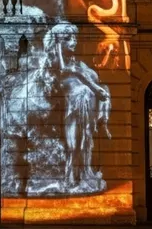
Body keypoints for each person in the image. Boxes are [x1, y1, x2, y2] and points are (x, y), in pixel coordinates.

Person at [45, 23, 110, 190]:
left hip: (85, 106)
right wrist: (93, 86)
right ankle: (70, 176)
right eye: (68, 39)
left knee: (86, 140)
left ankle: (85, 172)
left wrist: (96, 87)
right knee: (73, 144)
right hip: (72, 107)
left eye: (74, 38)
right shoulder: (55, 61)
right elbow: (65, 70)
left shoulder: (77, 63)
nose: (74, 42)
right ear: (59, 42)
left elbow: (94, 77)